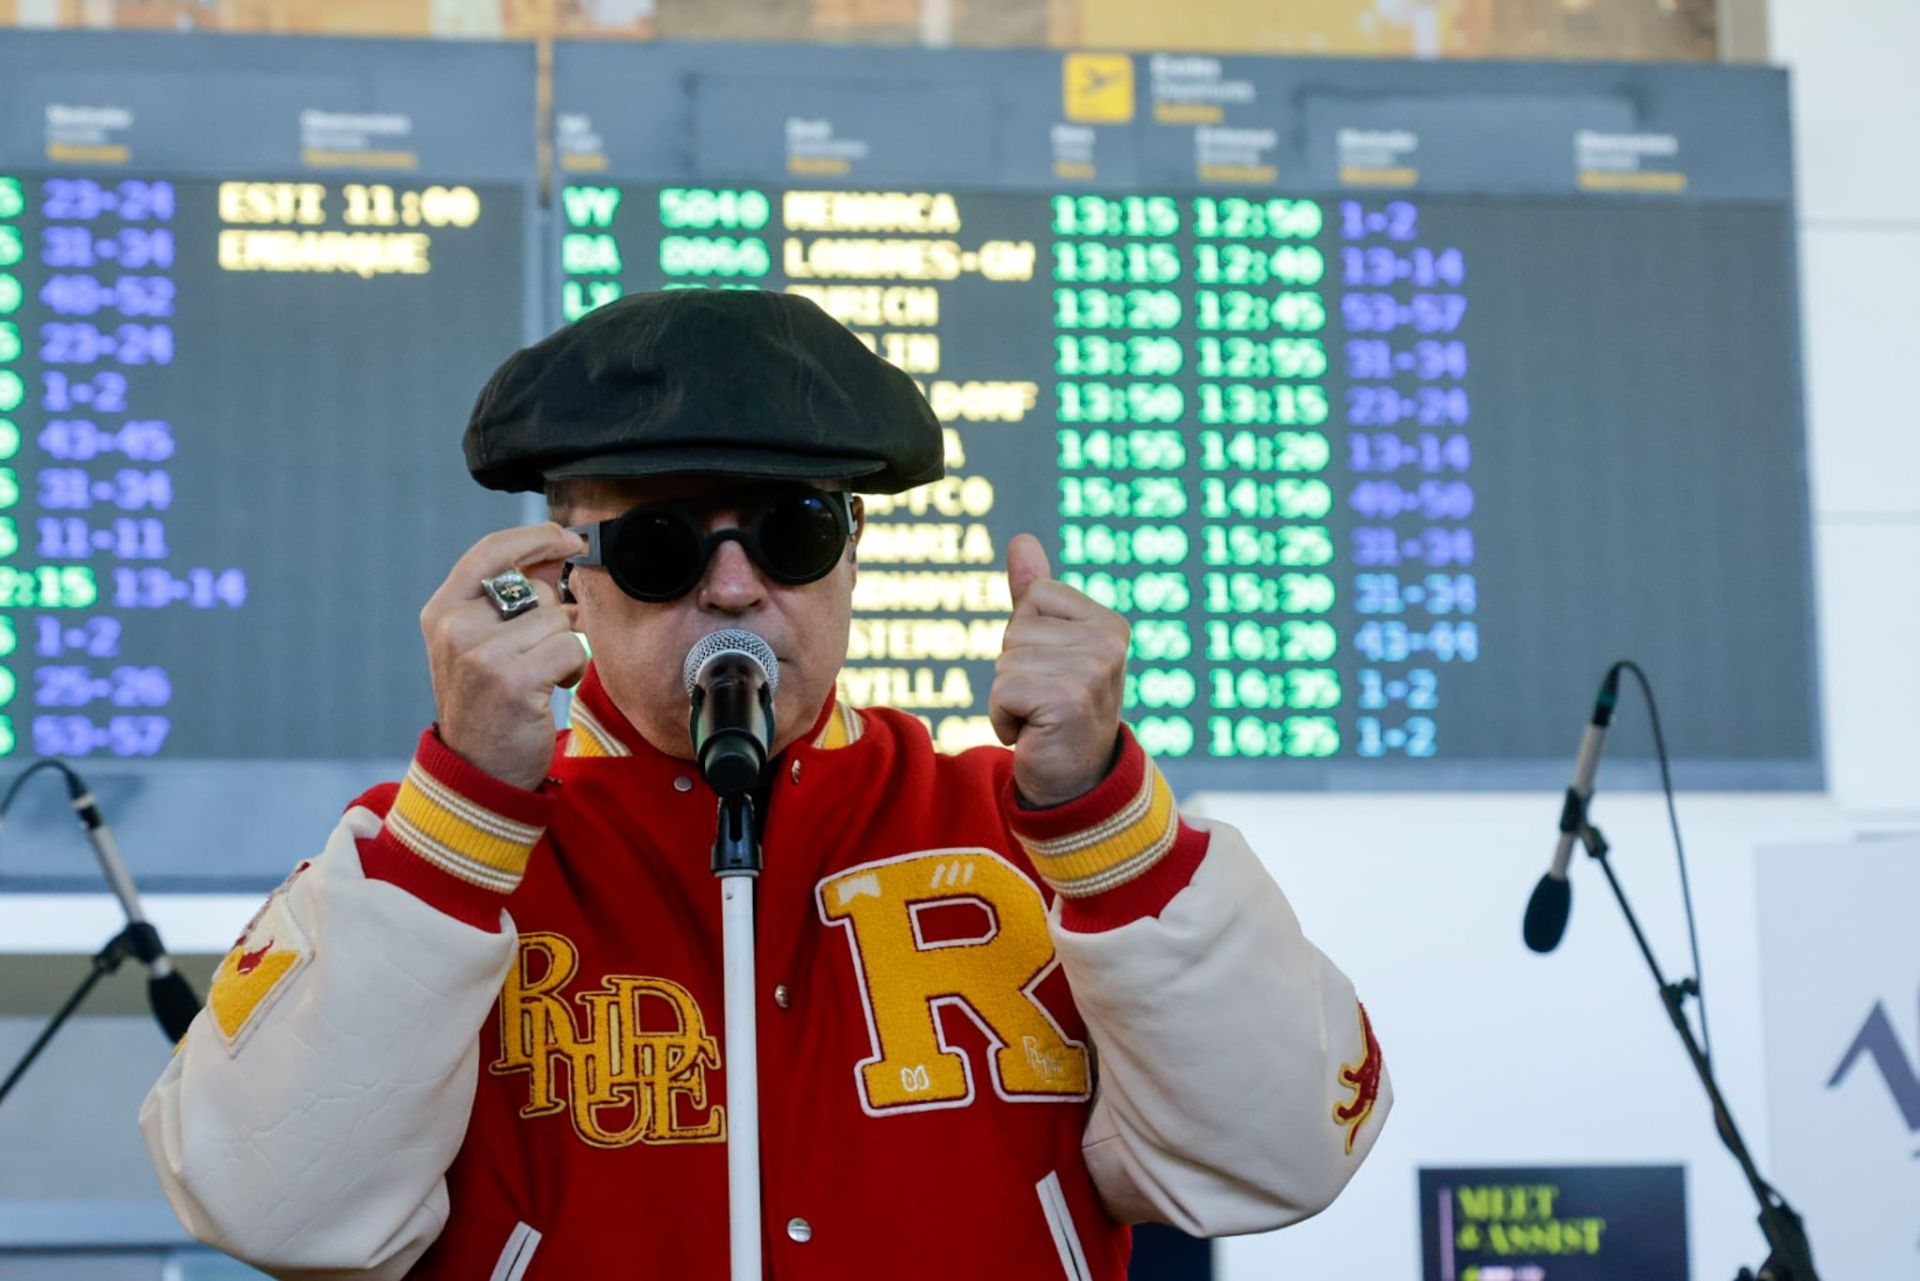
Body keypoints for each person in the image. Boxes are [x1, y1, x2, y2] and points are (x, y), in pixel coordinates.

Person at [140, 289, 1390, 1279]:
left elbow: (1278, 1163)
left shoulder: (1023, 837)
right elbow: (271, 1208)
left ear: (849, 559)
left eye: (791, 531)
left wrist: (1104, 814)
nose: (734, 587)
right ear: (563, 575)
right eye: (663, 543)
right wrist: (462, 812)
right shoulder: (430, 861)